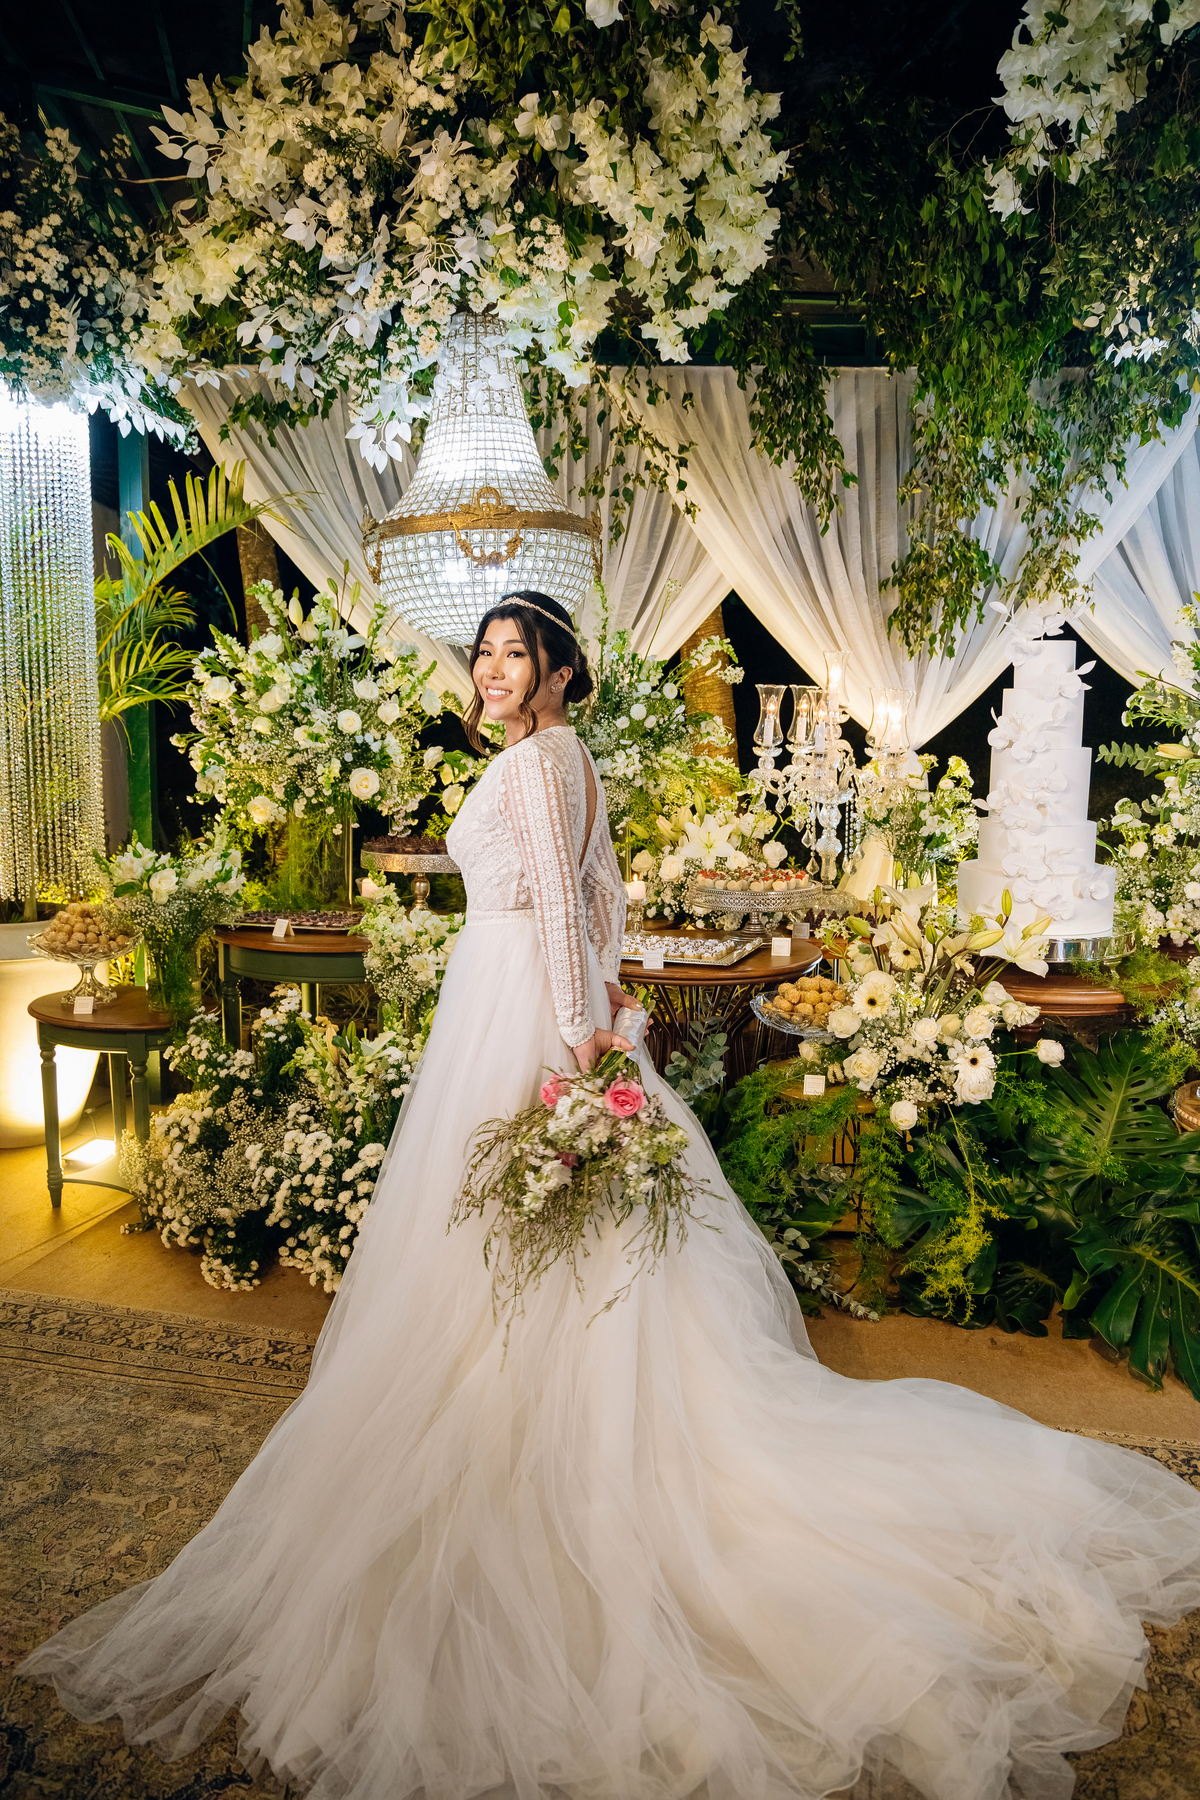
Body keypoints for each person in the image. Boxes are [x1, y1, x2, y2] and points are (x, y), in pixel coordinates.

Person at [20, 590, 1200, 1800]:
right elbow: (603, 902)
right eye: (482, 654)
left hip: (525, 1020)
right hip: (531, 1008)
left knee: (517, 1246)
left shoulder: (539, 765)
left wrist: (582, 1055)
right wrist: (612, 1032)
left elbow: (566, 912)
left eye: (512, 654)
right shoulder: (563, 760)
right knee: (533, 1258)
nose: (489, 671)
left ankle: (528, 1447)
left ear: (559, 671)